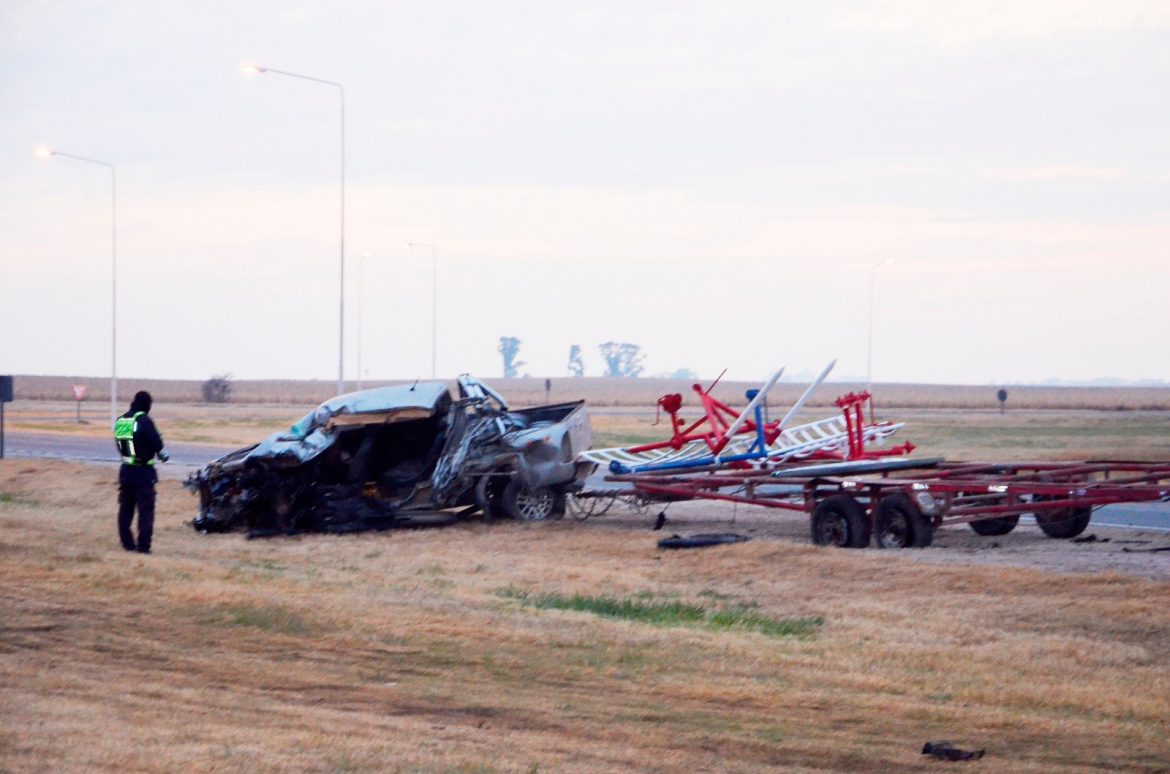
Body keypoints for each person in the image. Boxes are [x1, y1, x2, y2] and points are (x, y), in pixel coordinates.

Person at [114, 391, 168, 553]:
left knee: (126, 509)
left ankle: (127, 543)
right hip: (143, 473)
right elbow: (157, 445)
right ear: (147, 405)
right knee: (145, 511)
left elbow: (122, 446)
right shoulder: (144, 420)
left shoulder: (122, 420)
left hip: (126, 471)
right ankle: (143, 546)